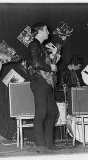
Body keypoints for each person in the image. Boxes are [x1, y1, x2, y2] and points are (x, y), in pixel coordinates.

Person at [27, 22, 61, 151]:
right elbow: (36, 64)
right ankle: (40, 145)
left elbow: (43, 62)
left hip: (45, 82)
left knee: (53, 112)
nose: (49, 32)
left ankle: (49, 144)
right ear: (40, 31)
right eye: (46, 30)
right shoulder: (33, 45)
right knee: (41, 114)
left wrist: (54, 58)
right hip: (38, 81)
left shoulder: (40, 46)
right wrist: (50, 67)